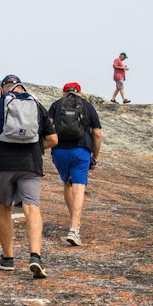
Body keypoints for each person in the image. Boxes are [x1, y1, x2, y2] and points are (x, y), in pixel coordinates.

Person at [0, 74, 57, 278]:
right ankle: (35, 256)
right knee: (32, 208)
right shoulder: (37, 105)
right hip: (31, 164)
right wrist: (37, 147)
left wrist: (1, 145)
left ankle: (7, 258)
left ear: (5, 88)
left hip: (5, 164)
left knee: (4, 208)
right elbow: (53, 139)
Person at [48, 82, 102, 246]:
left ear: (64, 93)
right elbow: (97, 134)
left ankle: (74, 221)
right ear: (80, 93)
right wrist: (95, 156)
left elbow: (47, 127)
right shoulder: (87, 106)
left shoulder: (56, 105)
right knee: (79, 189)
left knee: (67, 184)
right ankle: (73, 229)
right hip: (81, 151)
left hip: (60, 152)